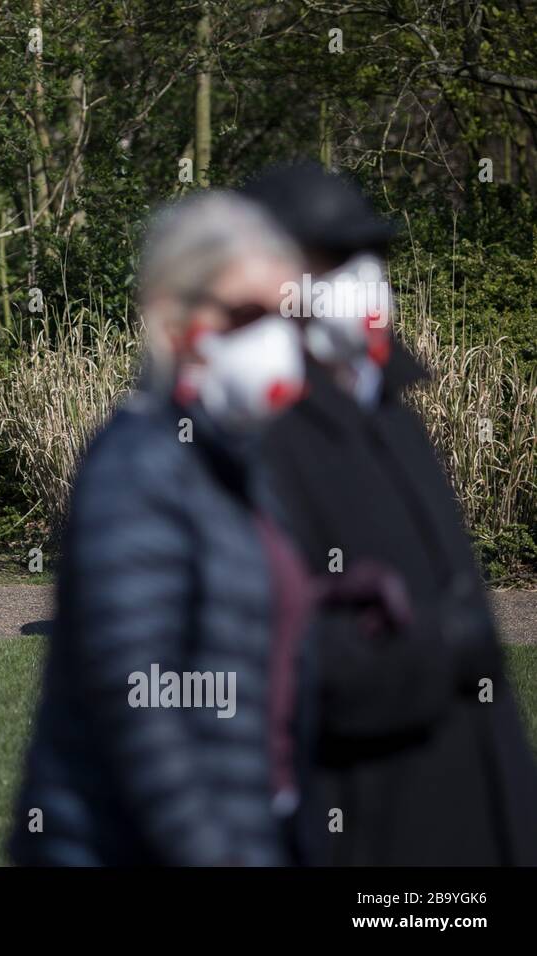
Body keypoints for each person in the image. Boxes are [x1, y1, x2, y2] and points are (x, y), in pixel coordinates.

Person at [242, 162, 537, 865]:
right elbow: (263, 664)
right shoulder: (252, 441)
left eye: (371, 255)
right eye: (336, 258)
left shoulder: (392, 413)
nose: (364, 278)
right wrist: (437, 651)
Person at [8, 192, 310, 865]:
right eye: (247, 315)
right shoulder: (139, 465)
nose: (276, 339)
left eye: (288, 315)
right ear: (173, 317)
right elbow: (138, 703)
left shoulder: (239, 462)